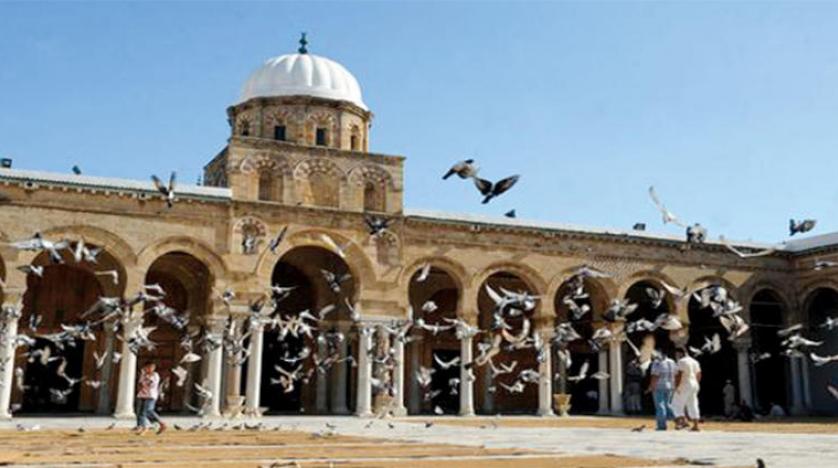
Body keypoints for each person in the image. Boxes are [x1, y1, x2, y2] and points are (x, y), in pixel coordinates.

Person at [671, 348, 702, 431]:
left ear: (680, 353)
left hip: (684, 384)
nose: (676, 356)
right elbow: (699, 374)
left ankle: (683, 422)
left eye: (677, 354)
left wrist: (676, 386)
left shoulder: (682, 361)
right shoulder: (695, 361)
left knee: (676, 404)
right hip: (694, 384)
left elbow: (679, 374)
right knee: (693, 404)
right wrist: (696, 383)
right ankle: (696, 426)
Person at [646, 350, 677, 431]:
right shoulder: (672, 362)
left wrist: (651, 386)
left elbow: (655, 376)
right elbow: (675, 374)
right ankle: (679, 419)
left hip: (659, 386)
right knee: (667, 405)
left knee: (660, 406)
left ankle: (662, 425)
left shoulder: (657, 362)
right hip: (670, 386)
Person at [135, 361, 166, 435]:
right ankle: (142, 427)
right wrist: (140, 388)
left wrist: (146, 378)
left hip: (151, 395)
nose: (148, 369)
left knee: (148, 410)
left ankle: (161, 423)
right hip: (142, 395)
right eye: (147, 367)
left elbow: (151, 384)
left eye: (150, 367)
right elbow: (140, 383)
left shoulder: (155, 375)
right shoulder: (143, 375)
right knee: (140, 412)